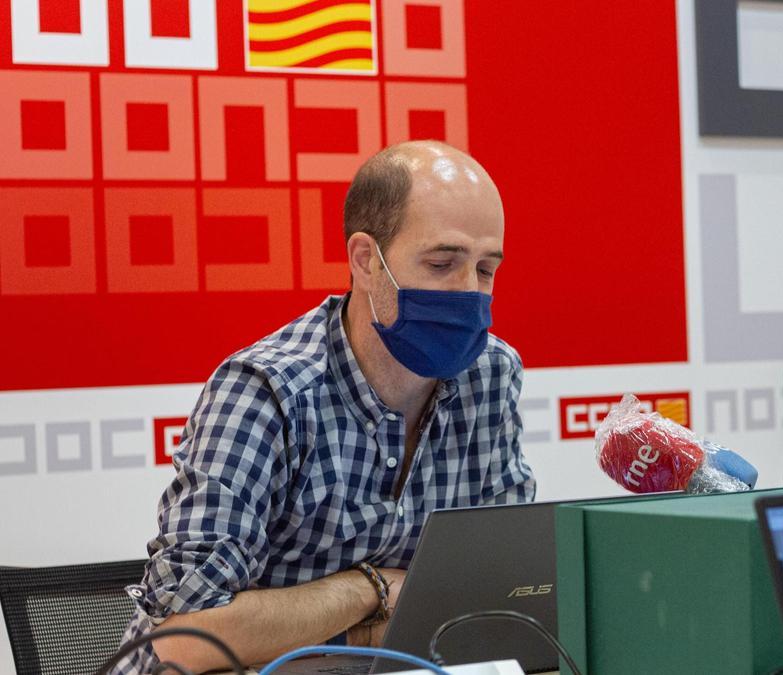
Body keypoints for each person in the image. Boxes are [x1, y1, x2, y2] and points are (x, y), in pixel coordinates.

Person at [115, 141, 536, 672]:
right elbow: (186, 638)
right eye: (441, 262)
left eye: (485, 269)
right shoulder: (267, 390)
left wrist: (322, 625)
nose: (468, 292)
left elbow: (503, 587)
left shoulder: (491, 375)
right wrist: (373, 589)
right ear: (365, 261)